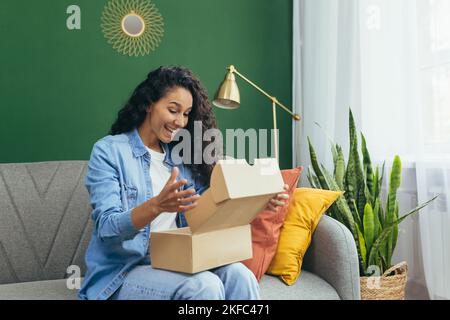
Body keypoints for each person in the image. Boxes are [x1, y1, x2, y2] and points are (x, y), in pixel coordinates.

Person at [78, 66, 289, 300]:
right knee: (203, 286)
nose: (180, 121)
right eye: (173, 110)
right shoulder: (109, 151)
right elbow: (107, 228)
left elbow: (208, 214)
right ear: (149, 104)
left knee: (240, 275)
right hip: (124, 273)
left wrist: (258, 201)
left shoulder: (182, 157)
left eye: (187, 113)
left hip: (176, 261)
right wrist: (157, 206)